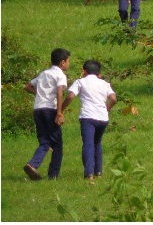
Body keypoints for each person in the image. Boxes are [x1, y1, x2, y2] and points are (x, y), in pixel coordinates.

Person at [60, 60, 117, 183]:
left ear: (84, 71)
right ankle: (98, 172)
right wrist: (106, 109)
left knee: (88, 143)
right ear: (98, 72)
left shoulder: (80, 81)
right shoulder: (105, 84)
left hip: (88, 117)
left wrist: (61, 109)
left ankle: (89, 173)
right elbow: (113, 98)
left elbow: (70, 96)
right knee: (97, 143)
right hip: (102, 118)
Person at [23, 48, 70, 181]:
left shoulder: (44, 73)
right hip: (50, 109)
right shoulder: (60, 75)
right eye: (68, 61)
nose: (68, 64)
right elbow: (60, 92)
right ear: (62, 62)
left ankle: (32, 165)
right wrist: (59, 112)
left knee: (45, 141)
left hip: (38, 109)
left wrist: (40, 94)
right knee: (57, 143)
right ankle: (53, 175)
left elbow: (27, 87)